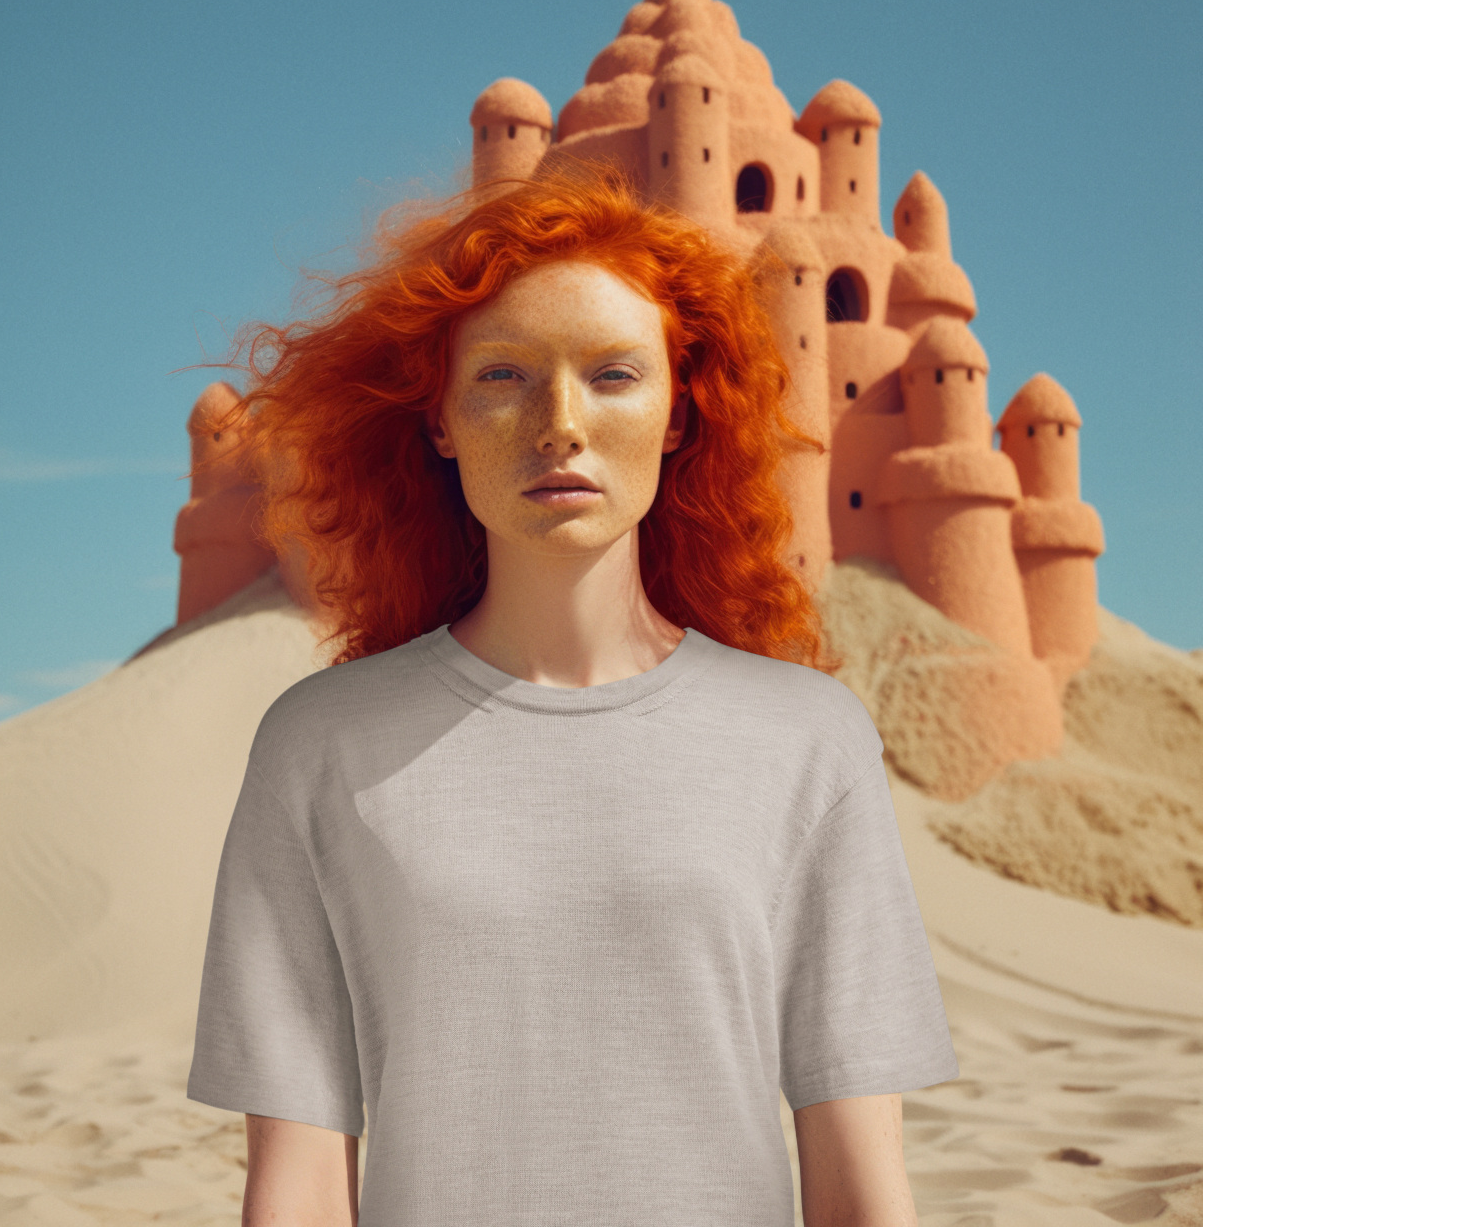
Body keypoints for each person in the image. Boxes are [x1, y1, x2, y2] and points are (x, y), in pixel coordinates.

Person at [186, 165, 957, 1227]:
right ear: (441, 420)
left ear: (681, 413)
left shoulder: (805, 739)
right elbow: (298, 1178)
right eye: (502, 375)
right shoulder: (322, 746)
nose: (560, 422)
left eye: (613, 373)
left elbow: (861, 1177)